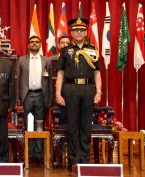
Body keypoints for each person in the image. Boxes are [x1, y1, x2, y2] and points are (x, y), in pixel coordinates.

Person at [55, 18, 102, 170]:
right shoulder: (65, 51)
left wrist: (99, 92)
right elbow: (60, 74)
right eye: (76, 30)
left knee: (86, 125)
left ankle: (84, 160)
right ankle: (74, 161)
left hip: (88, 89)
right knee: (73, 126)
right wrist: (58, 93)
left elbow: (97, 74)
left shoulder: (93, 50)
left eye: (82, 30)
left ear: (86, 32)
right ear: (72, 33)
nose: (79, 32)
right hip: (71, 89)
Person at [17, 35, 52, 163]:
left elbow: (50, 83)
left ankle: (39, 154)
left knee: (40, 125)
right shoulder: (22, 60)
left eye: (37, 42)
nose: (34, 44)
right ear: (28, 45)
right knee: (28, 125)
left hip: (41, 96)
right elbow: (18, 80)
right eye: (31, 42)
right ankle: (29, 154)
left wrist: (49, 100)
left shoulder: (47, 61)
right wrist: (18, 99)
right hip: (27, 96)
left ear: (40, 44)